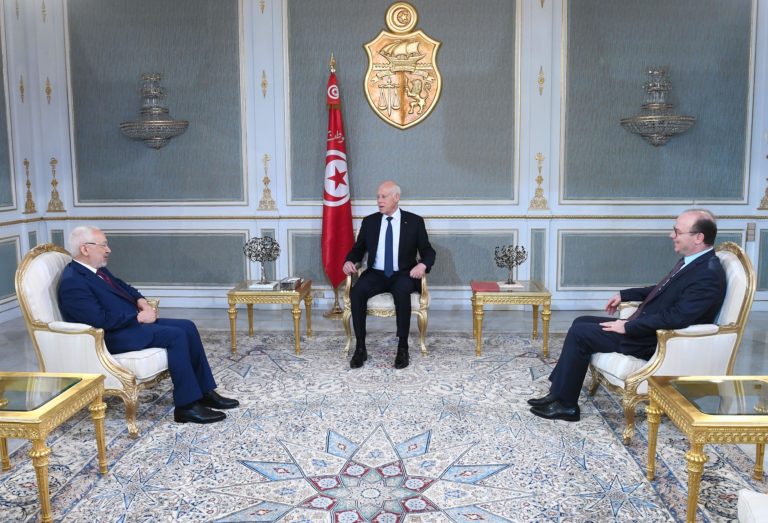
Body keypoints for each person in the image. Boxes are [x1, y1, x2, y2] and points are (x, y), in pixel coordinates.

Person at [529, 209, 726, 422]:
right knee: (581, 321)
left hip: (654, 340)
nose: (672, 235)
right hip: (646, 328)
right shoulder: (693, 263)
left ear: (698, 238)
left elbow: (677, 318)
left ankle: (566, 406)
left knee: (581, 332)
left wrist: (628, 327)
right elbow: (661, 290)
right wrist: (625, 295)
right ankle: (557, 394)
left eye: (677, 232)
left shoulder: (707, 275)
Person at [57, 226, 239, 424]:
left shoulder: (97, 271)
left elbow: (125, 287)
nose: (108, 250)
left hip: (127, 326)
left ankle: (204, 392)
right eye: (103, 245)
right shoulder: (73, 281)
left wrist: (142, 302)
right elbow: (98, 319)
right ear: (85, 249)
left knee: (187, 326)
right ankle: (186, 406)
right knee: (175, 335)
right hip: (110, 337)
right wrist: (138, 318)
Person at [343, 180, 436, 369]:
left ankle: (403, 347)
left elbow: (428, 251)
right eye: (378, 196)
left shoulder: (414, 221)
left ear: (396, 197)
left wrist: (423, 265)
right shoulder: (370, 222)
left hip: (403, 273)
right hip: (376, 273)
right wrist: (349, 261)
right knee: (357, 291)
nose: (379, 200)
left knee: (402, 291)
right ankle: (360, 347)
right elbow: (358, 249)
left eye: (384, 196)